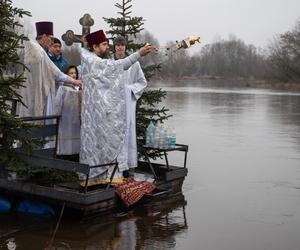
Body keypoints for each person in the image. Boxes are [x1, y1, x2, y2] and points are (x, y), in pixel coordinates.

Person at [80, 29, 153, 179]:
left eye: (108, 44)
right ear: (94, 47)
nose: (108, 47)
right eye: (104, 44)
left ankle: (109, 175)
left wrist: (129, 90)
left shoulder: (92, 58)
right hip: (103, 110)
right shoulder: (97, 61)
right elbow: (116, 68)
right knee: (104, 140)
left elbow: (141, 83)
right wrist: (139, 53)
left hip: (116, 106)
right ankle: (103, 177)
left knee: (113, 137)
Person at [18, 21, 81, 118]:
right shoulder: (38, 51)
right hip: (39, 92)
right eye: (51, 38)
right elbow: (55, 72)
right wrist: (74, 81)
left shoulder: (33, 48)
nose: (52, 41)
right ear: (44, 36)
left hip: (32, 91)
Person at [113, 36, 147, 177]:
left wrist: (130, 89)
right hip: (113, 105)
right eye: (117, 45)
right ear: (114, 47)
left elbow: (142, 82)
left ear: (125, 47)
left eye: (122, 45)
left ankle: (128, 168)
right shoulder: (109, 63)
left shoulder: (135, 64)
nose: (120, 47)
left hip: (128, 105)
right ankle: (113, 167)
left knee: (128, 132)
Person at [55, 65, 81, 159]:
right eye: (71, 73)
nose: (74, 75)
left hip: (75, 122)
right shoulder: (62, 89)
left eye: (75, 73)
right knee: (65, 147)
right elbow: (57, 105)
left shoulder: (78, 90)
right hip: (64, 121)